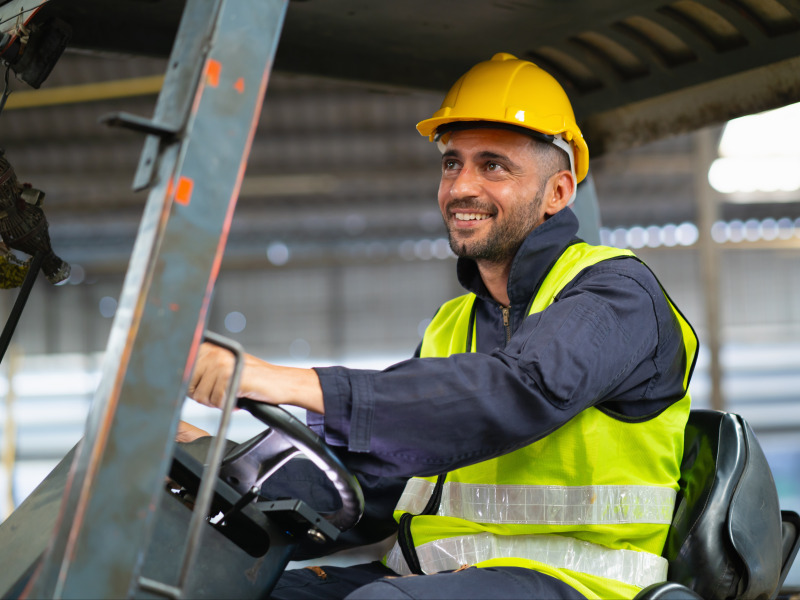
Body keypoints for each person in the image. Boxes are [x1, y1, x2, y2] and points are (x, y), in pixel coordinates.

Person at [181, 53, 698, 600]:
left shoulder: (616, 294)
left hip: (580, 586)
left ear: (558, 193)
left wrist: (281, 381)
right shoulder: (454, 325)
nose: (460, 188)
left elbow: (518, 389)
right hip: (435, 582)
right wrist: (224, 471)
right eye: (453, 163)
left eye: (493, 165)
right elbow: (376, 481)